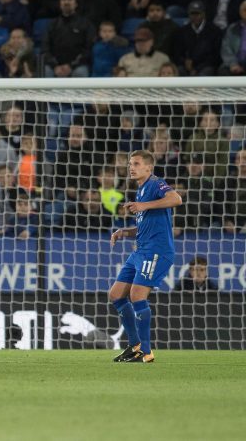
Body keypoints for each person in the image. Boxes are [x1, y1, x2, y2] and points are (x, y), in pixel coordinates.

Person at [109, 150, 182, 363]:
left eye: (137, 163)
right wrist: (124, 232)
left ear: (148, 167)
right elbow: (144, 226)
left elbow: (176, 199)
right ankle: (135, 346)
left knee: (137, 295)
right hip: (140, 250)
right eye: (131, 163)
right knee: (115, 294)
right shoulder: (141, 191)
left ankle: (147, 351)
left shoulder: (156, 184)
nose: (131, 167)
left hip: (157, 251)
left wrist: (144, 205)